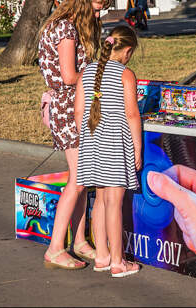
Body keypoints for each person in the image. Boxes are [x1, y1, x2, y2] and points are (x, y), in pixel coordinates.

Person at [38, 0, 109, 270]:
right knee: (79, 180)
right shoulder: (66, 29)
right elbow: (69, 76)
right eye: (96, 9)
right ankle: (56, 248)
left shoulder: (58, 25)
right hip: (68, 107)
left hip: (65, 105)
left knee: (82, 178)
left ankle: (79, 241)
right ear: (83, 2)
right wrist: (103, 72)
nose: (98, 15)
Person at [75, 25, 142, 277]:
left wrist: (89, 139)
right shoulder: (125, 74)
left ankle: (101, 255)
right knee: (114, 202)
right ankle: (118, 262)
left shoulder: (86, 72)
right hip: (116, 143)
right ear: (127, 50)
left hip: (91, 142)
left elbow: (79, 112)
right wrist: (137, 148)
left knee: (101, 201)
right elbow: (132, 114)